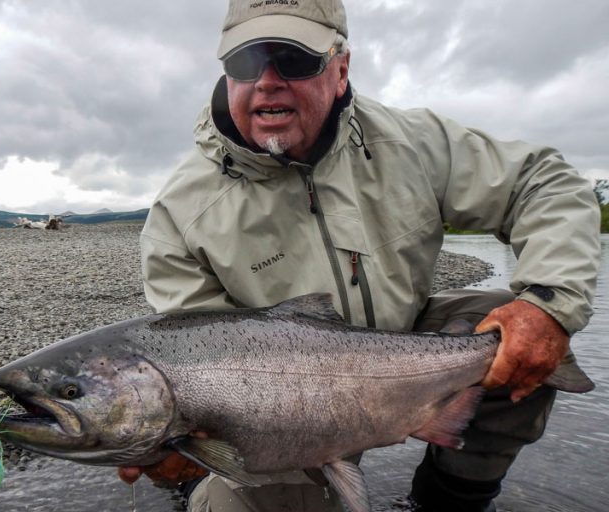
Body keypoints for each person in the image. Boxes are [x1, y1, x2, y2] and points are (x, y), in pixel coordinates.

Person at [120, 1, 601, 511]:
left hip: (406, 351)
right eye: (245, 63)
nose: (267, 81)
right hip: (277, 399)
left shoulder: (410, 142)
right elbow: (199, 365)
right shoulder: (181, 216)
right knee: (245, 490)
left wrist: (548, 305)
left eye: (293, 59)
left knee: (507, 327)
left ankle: (448, 500)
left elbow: (544, 182)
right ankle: (201, 489)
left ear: (341, 69)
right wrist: (182, 446)